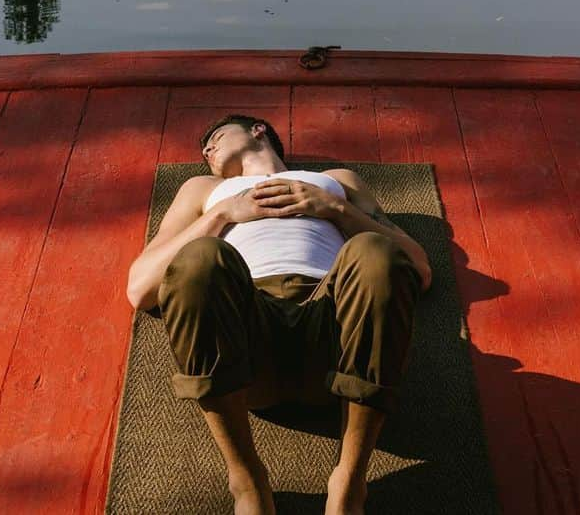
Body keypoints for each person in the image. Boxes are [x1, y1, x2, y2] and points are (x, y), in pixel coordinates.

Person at [126, 114, 431, 515]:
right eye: (205, 148)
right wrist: (222, 214)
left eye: (215, 137)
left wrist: (336, 208)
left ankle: (349, 481)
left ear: (258, 131)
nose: (206, 150)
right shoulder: (205, 189)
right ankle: (247, 479)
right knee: (199, 258)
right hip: (246, 333)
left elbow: (418, 268)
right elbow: (142, 288)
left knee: (376, 250)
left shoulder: (337, 179)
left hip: (336, 324)